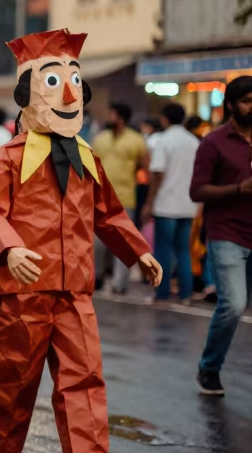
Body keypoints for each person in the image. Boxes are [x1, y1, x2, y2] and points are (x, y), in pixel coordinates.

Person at [0, 29, 160, 453]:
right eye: (53, 82)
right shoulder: (9, 159)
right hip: (24, 287)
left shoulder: (87, 159)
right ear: (27, 94)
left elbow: (109, 212)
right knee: (15, 372)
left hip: (74, 284)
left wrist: (140, 251)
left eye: (74, 80)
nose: (71, 91)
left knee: (84, 371)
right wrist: (10, 248)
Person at [190, 75, 252, 396]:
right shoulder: (213, 142)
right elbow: (197, 191)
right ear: (230, 104)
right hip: (226, 232)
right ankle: (209, 367)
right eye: (246, 101)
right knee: (234, 304)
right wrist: (238, 188)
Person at [140, 103, 199, 304]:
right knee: (183, 251)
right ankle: (186, 294)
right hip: (188, 205)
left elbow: (157, 173)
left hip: (166, 204)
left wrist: (149, 202)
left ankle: (162, 292)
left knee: (163, 250)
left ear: (165, 118)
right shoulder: (194, 142)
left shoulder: (163, 141)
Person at [91, 102, 148, 293]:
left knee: (122, 243)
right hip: (99, 197)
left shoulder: (137, 140)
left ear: (120, 116)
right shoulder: (100, 138)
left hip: (125, 198)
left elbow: (145, 166)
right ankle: (97, 276)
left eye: (111, 113)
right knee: (98, 243)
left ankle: (119, 283)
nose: (108, 116)